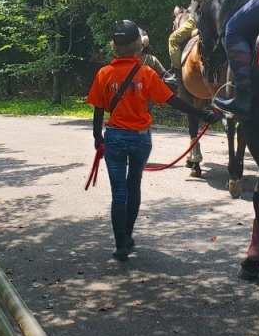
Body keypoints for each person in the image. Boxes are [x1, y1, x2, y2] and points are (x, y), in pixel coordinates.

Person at [87, 20, 220, 261]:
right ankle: (127, 236)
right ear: (139, 47)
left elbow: (98, 110)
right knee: (133, 185)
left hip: (114, 138)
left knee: (118, 193)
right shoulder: (146, 73)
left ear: (114, 47)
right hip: (140, 140)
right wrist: (202, 113)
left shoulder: (104, 73)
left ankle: (120, 246)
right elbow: (174, 101)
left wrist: (98, 139)